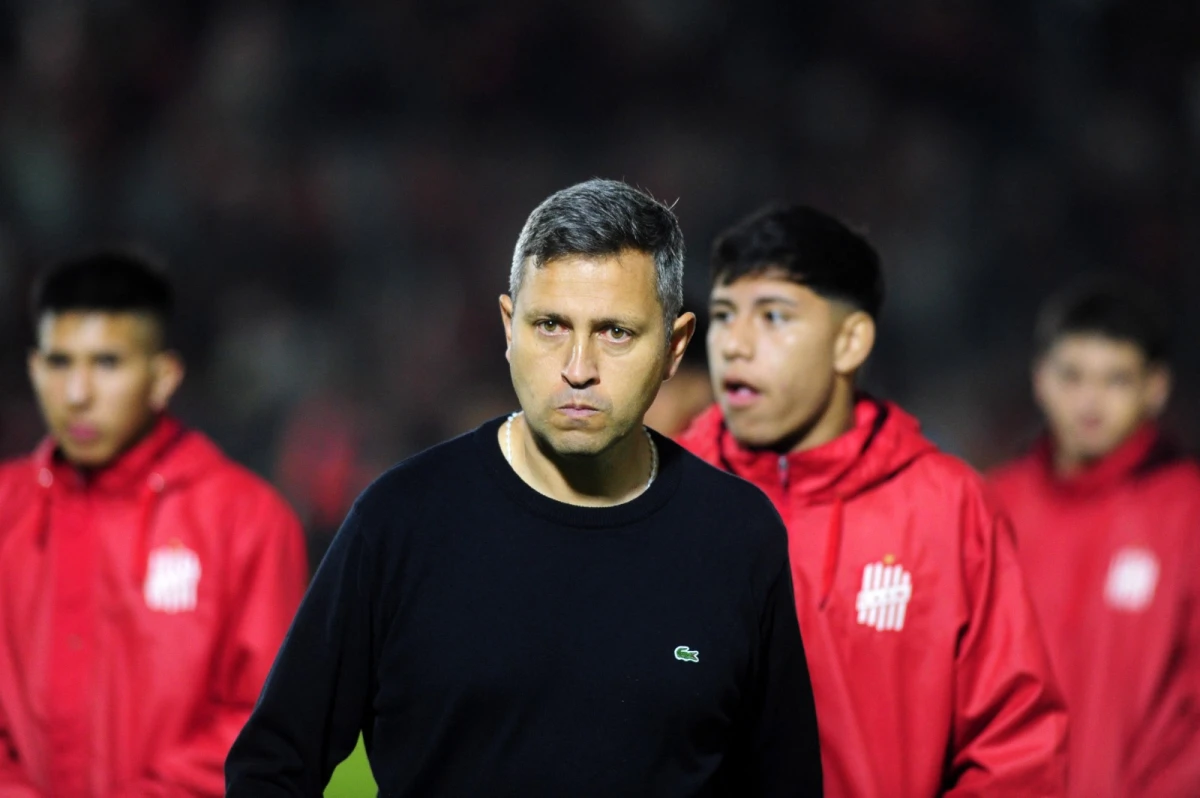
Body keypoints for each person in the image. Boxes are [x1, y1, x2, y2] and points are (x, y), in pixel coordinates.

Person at [226, 179, 823, 797]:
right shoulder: (401, 521)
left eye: (616, 332)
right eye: (550, 326)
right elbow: (273, 767)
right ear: (509, 327)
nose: (578, 367)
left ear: (674, 348)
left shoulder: (736, 536)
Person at [677, 204, 1068, 797]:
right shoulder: (666, 493)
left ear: (850, 341)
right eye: (726, 315)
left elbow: (1014, 749)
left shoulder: (947, 508)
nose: (736, 343)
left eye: (774, 316)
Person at [0, 251, 309, 797]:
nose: (77, 393)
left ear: (163, 376)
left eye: (107, 363)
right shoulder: (8, 509)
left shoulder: (246, 521)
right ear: (32, 369)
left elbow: (268, 720)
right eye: (59, 362)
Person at [989, 279, 1200, 798]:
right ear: (1040, 379)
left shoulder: (1187, 513)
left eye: (1116, 380)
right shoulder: (993, 505)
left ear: (1156, 387)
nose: (1090, 400)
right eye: (1072, 375)